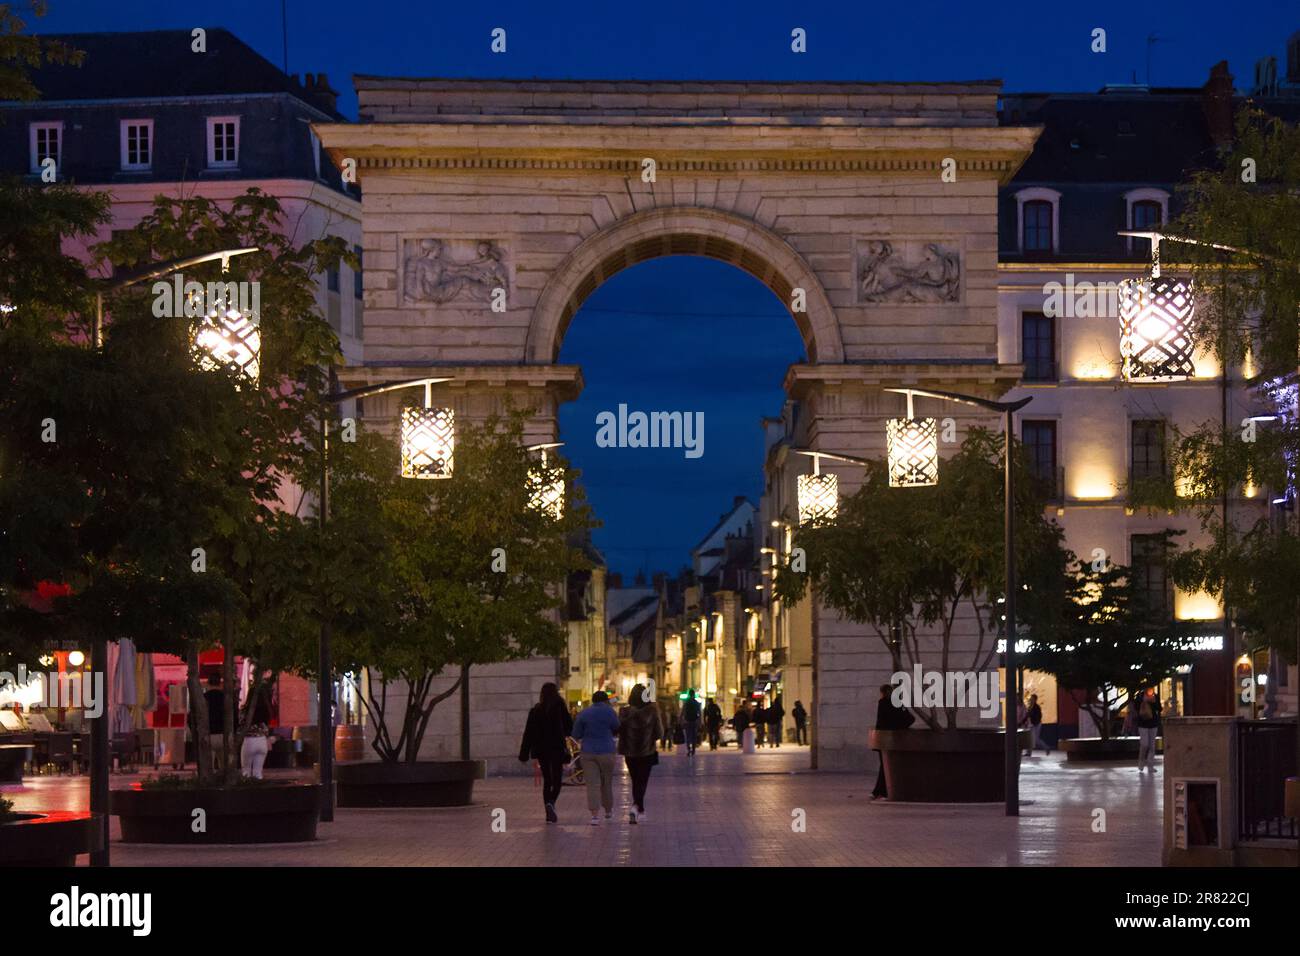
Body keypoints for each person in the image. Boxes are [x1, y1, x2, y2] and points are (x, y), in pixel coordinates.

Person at [518, 682, 574, 823]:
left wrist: (524, 753)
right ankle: (551, 803)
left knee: (547, 780)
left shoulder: (536, 710)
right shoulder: (560, 708)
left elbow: (528, 734)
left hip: (541, 750)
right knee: (557, 780)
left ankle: (548, 812)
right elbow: (569, 727)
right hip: (557, 748)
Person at [571, 690, 620, 825]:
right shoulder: (610, 712)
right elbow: (616, 727)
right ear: (605, 701)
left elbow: (576, 733)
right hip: (607, 751)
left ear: (592, 700)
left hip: (588, 752)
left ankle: (594, 815)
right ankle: (608, 812)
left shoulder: (584, 713)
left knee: (592, 784)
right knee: (606, 782)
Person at [618, 683, 663, 824]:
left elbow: (620, 731)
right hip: (646, 752)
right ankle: (636, 807)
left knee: (635, 780)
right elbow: (660, 732)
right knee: (642, 781)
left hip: (630, 752)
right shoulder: (653, 710)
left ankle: (639, 809)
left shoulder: (624, 712)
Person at [872, 683, 915, 800]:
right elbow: (910, 719)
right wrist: (899, 728)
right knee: (887, 766)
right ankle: (879, 791)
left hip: (885, 739)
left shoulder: (883, 703)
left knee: (885, 765)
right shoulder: (897, 703)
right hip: (895, 738)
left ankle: (880, 791)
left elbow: (880, 722)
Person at [1135, 687, 1162, 774]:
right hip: (1142, 723)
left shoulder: (1155, 696)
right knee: (1144, 744)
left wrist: (1153, 703)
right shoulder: (1140, 696)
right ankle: (1141, 762)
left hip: (1153, 723)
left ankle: (1150, 765)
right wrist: (1143, 701)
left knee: (1152, 746)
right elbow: (1136, 707)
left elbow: (1159, 709)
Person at [204, 675, 227, 771]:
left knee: (209, 766)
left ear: (208, 684)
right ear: (220, 684)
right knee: (224, 764)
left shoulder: (204, 697)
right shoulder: (225, 697)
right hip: (223, 733)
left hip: (209, 733)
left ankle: (210, 782)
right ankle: (223, 782)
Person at [680, 689, 702, 757]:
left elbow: (682, 712)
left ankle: (689, 749)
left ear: (689, 694)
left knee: (688, 736)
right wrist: (700, 722)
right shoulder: (696, 703)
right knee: (694, 737)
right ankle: (693, 750)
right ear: (694, 694)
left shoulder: (686, 702)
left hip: (687, 721)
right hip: (694, 721)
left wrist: (681, 720)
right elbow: (699, 713)